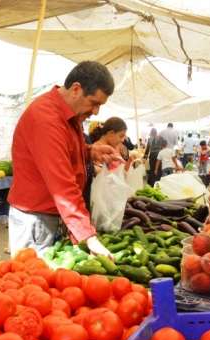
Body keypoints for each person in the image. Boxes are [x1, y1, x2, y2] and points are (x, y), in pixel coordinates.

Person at [7, 61, 123, 259]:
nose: (96, 112)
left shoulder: (67, 114)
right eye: (94, 103)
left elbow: (59, 152)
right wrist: (89, 237)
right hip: (37, 220)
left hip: (48, 216)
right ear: (76, 89)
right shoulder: (48, 120)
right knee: (33, 284)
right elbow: (63, 187)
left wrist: (89, 151)